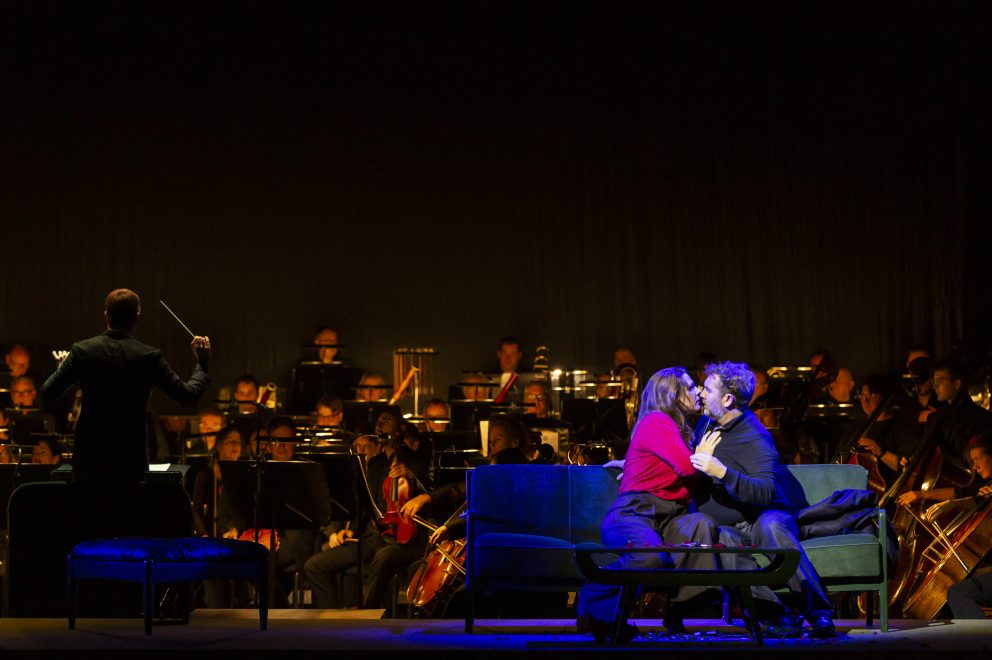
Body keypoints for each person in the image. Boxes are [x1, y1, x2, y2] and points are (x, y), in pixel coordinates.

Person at [687, 361, 836, 638]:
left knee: (772, 528)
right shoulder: (706, 422)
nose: (701, 393)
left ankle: (819, 613)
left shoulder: (755, 438)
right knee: (722, 540)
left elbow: (765, 493)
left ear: (728, 399)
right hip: (730, 525)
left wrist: (722, 472)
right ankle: (774, 615)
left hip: (761, 516)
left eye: (708, 389)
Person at [576, 367, 719, 642]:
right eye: (690, 387)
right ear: (672, 395)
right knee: (650, 556)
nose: (698, 392)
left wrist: (631, 463)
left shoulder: (679, 429)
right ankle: (595, 599)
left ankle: (675, 615)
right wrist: (705, 456)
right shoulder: (657, 420)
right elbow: (688, 470)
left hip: (668, 517)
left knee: (699, 528)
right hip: (635, 513)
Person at [42, 289, 211, 486]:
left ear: (106, 315)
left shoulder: (82, 351)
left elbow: (48, 392)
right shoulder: (149, 357)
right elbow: (187, 396)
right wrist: (202, 364)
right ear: (136, 318)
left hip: (89, 459)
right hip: (130, 460)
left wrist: (64, 370)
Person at [304, 422, 430, 613]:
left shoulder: (412, 463)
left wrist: (411, 475)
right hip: (375, 537)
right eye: (358, 447)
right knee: (314, 566)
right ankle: (331, 621)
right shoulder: (372, 467)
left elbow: (431, 491)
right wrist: (351, 530)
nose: (361, 451)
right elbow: (366, 506)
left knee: (383, 557)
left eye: (367, 446)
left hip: (403, 539)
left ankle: (366, 614)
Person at [842, 375, 919, 489]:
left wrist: (879, 451)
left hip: (885, 490)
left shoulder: (900, 427)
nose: (865, 400)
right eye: (862, 396)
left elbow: (905, 467)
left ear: (882, 397)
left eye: (871, 395)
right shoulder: (855, 427)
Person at [945, 435, 992, 618]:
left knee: (958, 593)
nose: (975, 466)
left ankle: (981, 643)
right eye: (972, 462)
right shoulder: (986, 491)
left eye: (978, 459)